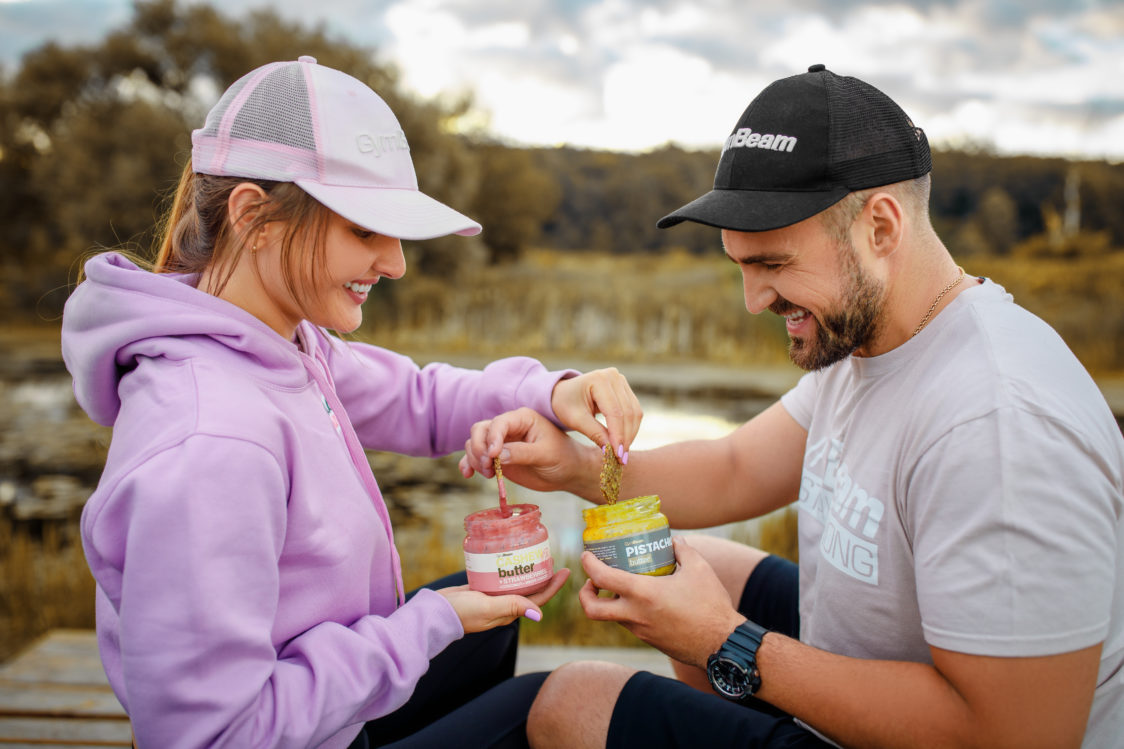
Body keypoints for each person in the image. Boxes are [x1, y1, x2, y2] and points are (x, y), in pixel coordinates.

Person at [460, 64, 1124, 748]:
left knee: (574, 701)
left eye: (773, 264)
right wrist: (573, 463)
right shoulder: (867, 339)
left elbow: (1015, 736)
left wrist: (728, 640)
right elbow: (734, 467)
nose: (753, 301)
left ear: (881, 228)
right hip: (880, 664)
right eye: (741, 266)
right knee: (695, 565)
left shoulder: (999, 423)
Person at [60, 56, 642, 748]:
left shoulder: (281, 339)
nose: (395, 262)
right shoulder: (210, 441)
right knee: (564, 702)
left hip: (328, 709)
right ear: (254, 217)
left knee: (491, 614)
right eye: (365, 228)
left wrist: (550, 389)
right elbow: (213, 736)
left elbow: (416, 399)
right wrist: (429, 623)